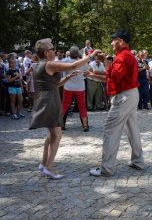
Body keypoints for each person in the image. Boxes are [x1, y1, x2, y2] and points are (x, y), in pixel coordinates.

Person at [29, 38, 97, 179]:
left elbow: (54, 84)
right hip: (49, 102)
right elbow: (73, 65)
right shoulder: (49, 64)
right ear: (47, 52)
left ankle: (43, 163)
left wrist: (67, 79)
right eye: (52, 48)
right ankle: (48, 167)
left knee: (51, 134)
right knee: (57, 135)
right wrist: (90, 55)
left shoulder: (39, 65)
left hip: (46, 100)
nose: (54, 50)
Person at [89, 30, 144, 177]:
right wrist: (94, 74)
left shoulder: (122, 56)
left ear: (120, 40)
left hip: (124, 97)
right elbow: (111, 76)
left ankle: (106, 168)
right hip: (131, 94)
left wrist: (106, 64)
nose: (112, 43)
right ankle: (138, 161)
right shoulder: (126, 55)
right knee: (133, 129)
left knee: (110, 131)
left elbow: (115, 76)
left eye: (113, 40)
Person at [61, 46, 90, 131]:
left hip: (68, 86)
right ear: (77, 53)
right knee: (82, 106)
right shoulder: (81, 62)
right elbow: (89, 70)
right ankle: (85, 125)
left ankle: (60, 124)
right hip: (80, 87)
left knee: (65, 106)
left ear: (69, 53)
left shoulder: (65, 61)